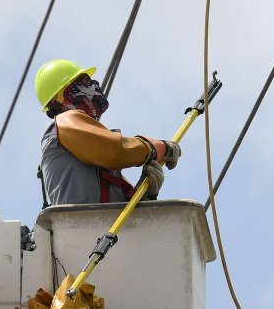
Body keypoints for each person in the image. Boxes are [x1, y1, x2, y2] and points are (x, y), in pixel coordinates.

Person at [35, 59, 181, 207]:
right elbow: (115, 150)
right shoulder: (65, 122)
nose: (92, 85)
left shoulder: (95, 156)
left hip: (98, 226)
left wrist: (144, 196)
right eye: (83, 81)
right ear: (59, 99)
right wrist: (151, 148)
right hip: (83, 225)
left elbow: (119, 213)